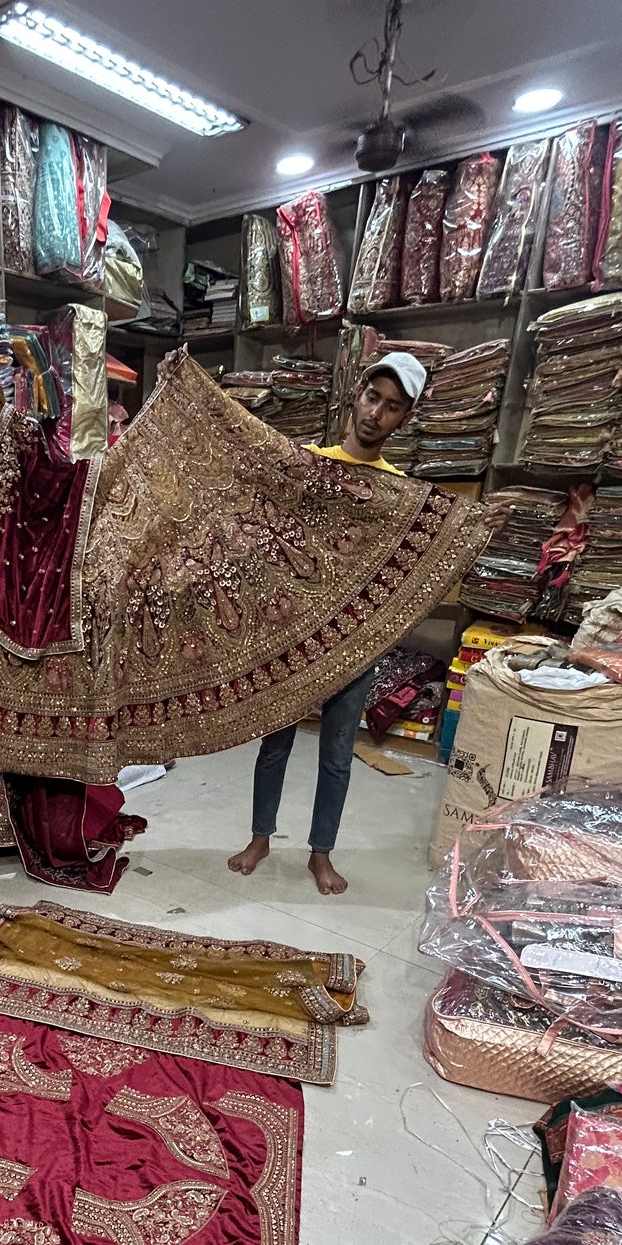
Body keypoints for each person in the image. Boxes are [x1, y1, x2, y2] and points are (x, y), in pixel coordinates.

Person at [228, 351, 427, 896]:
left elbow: (410, 568)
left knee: (337, 754)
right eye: (371, 397)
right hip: (290, 635)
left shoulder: (397, 494)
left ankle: (321, 854)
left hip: (355, 645)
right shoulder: (307, 465)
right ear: (355, 396)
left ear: (402, 420)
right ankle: (261, 837)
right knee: (274, 746)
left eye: (391, 407)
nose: (375, 414)